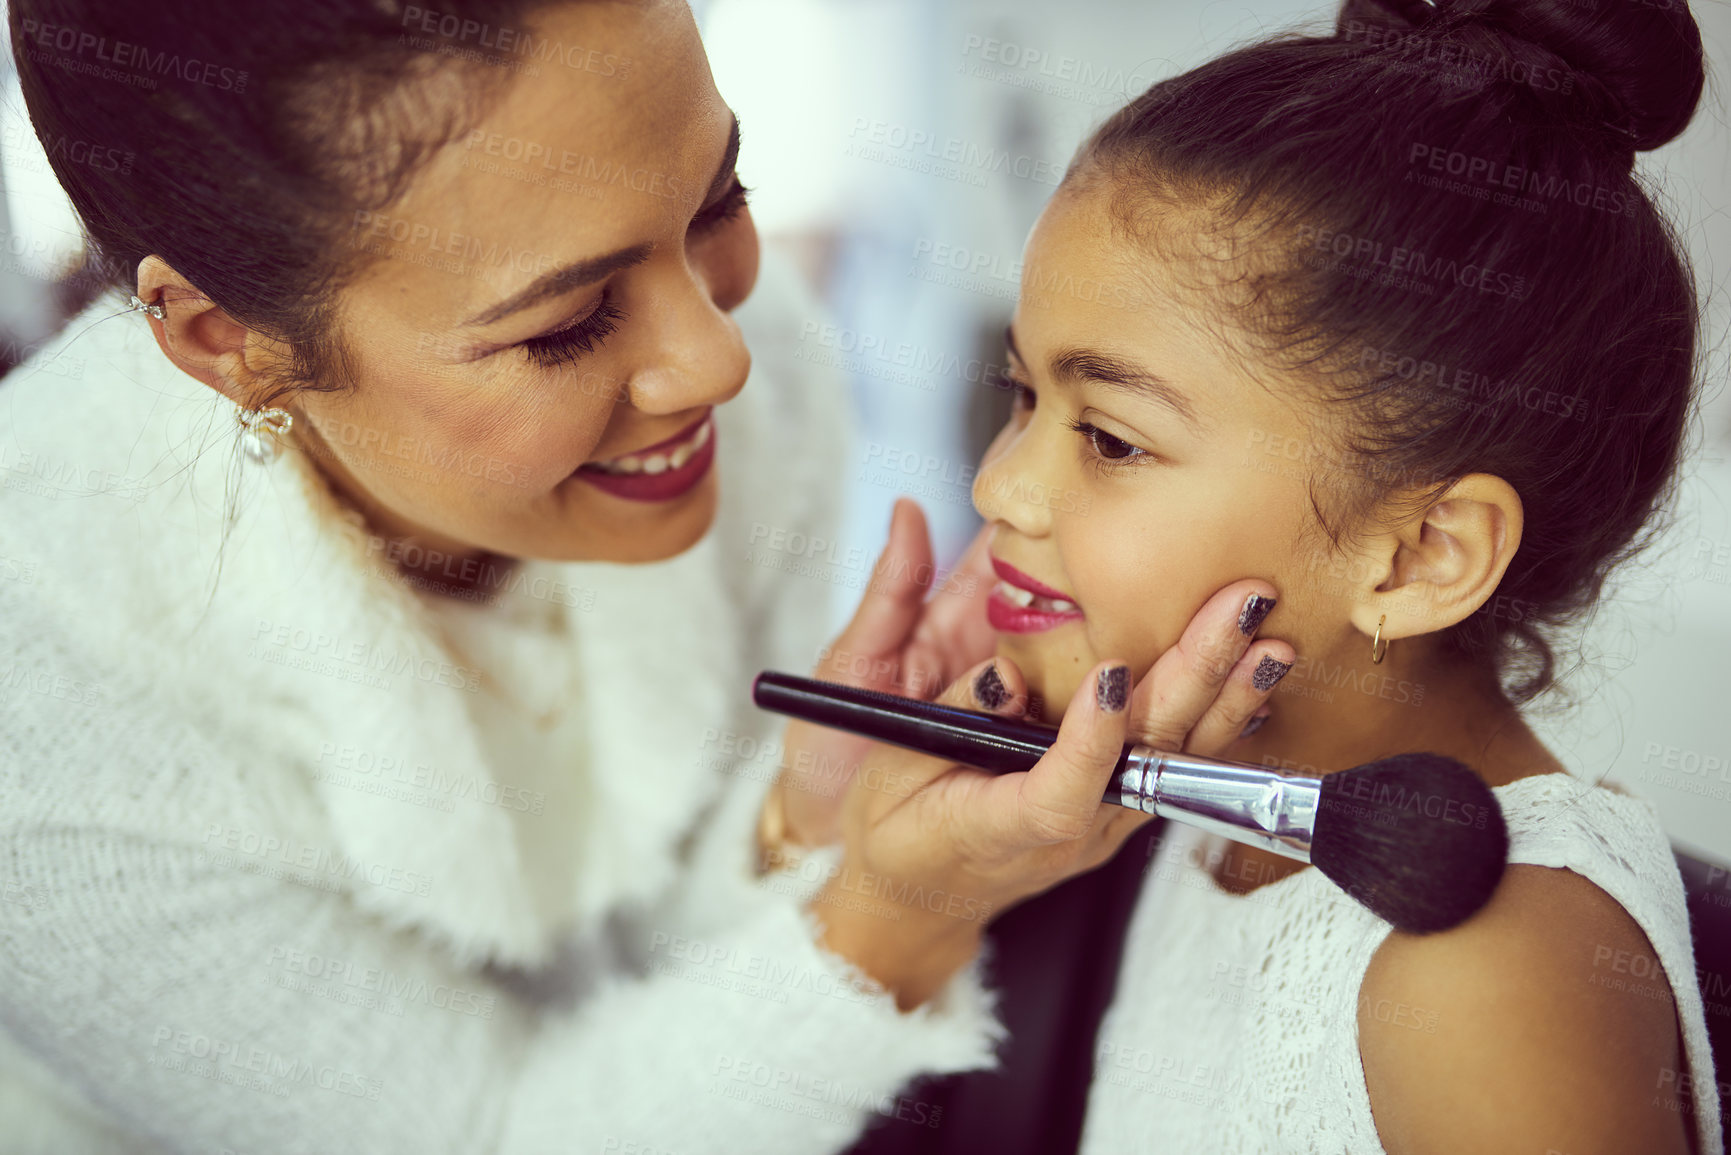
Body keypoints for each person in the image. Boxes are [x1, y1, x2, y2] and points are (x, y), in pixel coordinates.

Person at [0, 2, 1296, 1152]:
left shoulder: (743, 353)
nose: (718, 356)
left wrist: (802, 815)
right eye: (565, 326)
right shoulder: (42, 726)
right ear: (225, 338)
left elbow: (658, 960)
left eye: (717, 199)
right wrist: (892, 912)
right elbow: (504, 1129)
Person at [795, 0, 1722, 1151]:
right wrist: (824, 831)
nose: (999, 491)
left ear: (1422, 555)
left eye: (1112, 439)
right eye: (1024, 398)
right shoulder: (1200, 812)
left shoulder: (1495, 956)